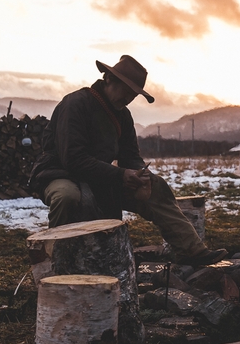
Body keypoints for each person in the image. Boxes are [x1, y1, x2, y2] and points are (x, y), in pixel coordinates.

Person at [29, 55, 227, 267]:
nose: (129, 98)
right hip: (61, 173)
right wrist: (121, 175)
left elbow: (130, 155)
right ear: (109, 80)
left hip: (99, 176)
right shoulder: (76, 104)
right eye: (127, 90)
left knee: (156, 186)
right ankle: (53, 263)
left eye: (134, 94)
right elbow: (73, 159)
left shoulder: (123, 115)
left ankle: (191, 251)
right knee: (67, 197)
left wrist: (139, 173)